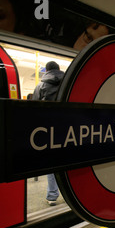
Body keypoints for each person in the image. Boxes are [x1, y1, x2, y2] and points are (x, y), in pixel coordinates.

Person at [32, 61, 64, 205]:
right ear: (58, 69)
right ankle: (71, 195)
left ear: (47, 70)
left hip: (49, 129)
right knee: (68, 161)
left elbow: (34, 107)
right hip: (68, 127)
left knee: (51, 164)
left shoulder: (41, 85)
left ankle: (52, 196)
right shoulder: (68, 82)